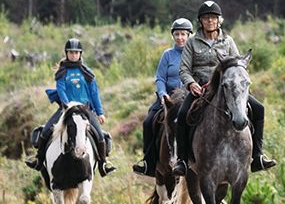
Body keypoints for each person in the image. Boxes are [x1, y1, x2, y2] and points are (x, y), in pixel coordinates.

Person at [171, 0, 276, 176]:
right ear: (201, 21)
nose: (210, 21)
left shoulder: (228, 41)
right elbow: (184, 69)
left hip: (226, 88)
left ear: (219, 20)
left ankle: (257, 156)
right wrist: (191, 84)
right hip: (201, 89)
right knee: (182, 114)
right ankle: (182, 160)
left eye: (213, 18)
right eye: (206, 18)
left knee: (258, 109)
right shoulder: (192, 43)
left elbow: (238, 65)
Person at [25, 38, 116, 177]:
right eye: (71, 52)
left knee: (99, 135)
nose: (73, 55)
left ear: (80, 54)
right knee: (46, 131)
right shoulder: (62, 72)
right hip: (66, 109)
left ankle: (103, 163)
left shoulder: (88, 73)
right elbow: (60, 90)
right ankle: (39, 159)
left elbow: (94, 93)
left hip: (85, 110)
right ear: (66, 53)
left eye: (76, 52)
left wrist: (100, 112)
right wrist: (67, 105)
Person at [132, 18, 193, 176]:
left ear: (189, 35)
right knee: (148, 122)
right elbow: (160, 78)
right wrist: (162, 94)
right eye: (177, 34)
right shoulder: (167, 55)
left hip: (188, 98)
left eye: (183, 34)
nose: (180, 37)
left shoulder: (195, 55)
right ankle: (148, 162)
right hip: (168, 100)